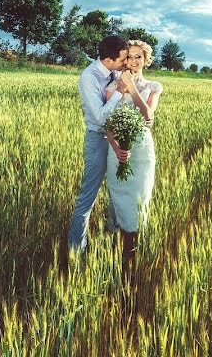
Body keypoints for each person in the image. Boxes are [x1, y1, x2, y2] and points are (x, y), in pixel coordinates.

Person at [103, 39, 163, 279]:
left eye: (139, 57)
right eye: (130, 56)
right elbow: (106, 120)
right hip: (117, 151)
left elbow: (147, 116)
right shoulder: (111, 87)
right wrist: (116, 146)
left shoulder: (154, 86)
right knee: (119, 198)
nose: (134, 61)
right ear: (124, 59)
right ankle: (116, 253)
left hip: (142, 152)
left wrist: (133, 88)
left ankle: (133, 258)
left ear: (146, 60)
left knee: (139, 200)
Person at [67, 35, 130, 253]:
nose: (126, 63)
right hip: (98, 139)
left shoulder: (115, 72)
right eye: (123, 59)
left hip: (117, 139)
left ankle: (113, 243)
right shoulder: (89, 77)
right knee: (88, 198)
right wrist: (120, 91)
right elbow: (101, 118)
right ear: (108, 59)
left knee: (117, 195)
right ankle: (77, 250)